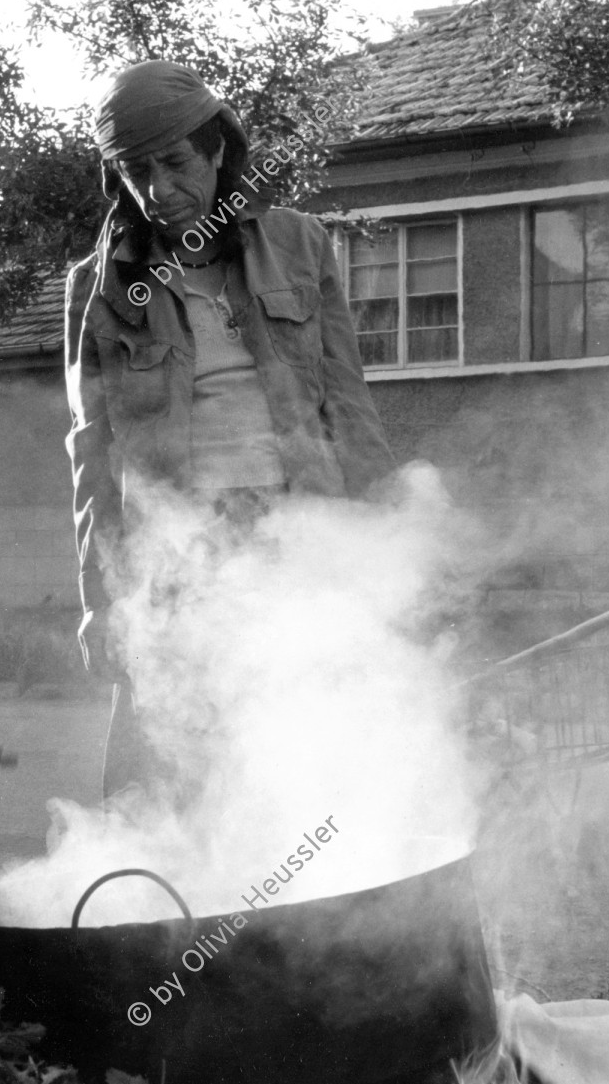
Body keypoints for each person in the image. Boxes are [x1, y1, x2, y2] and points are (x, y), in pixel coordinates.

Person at [64, 61, 394, 801]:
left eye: (176, 162)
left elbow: (349, 408)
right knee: (165, 784)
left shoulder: (302, 246)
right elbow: (92, 450)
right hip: (176, 555)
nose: (157, 189)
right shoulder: (100, 286)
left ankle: (308, 908)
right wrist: (101, 603)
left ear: (219, 151)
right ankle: (162, 910)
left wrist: (384, 560)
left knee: (311, 762)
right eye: (134, 171)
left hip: (299, 538)